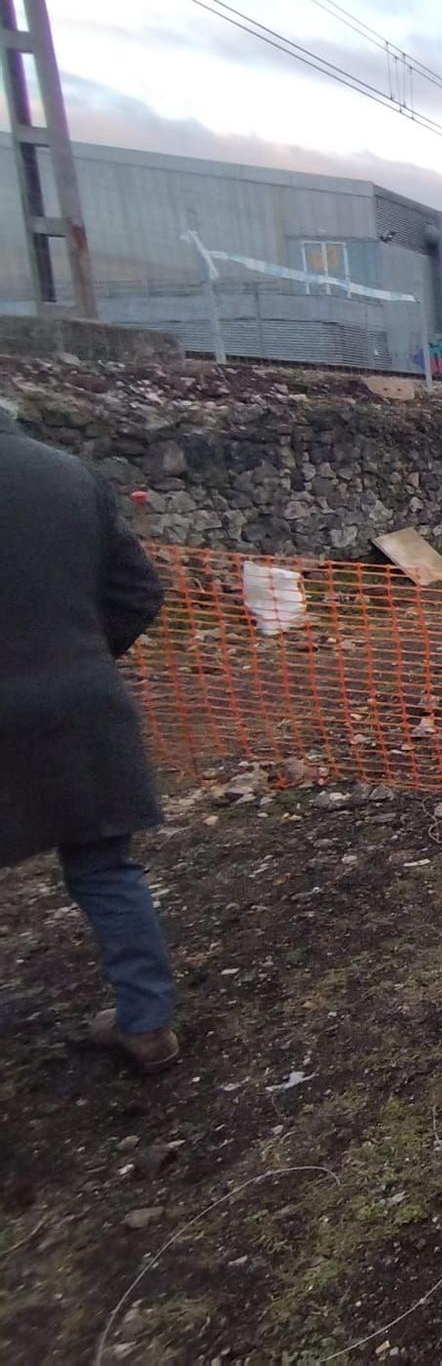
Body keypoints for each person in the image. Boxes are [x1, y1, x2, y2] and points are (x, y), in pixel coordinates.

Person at [0, 397, 179, 1073]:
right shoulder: (70, 474)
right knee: (106, 869)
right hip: (82, 704)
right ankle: (147, 1023)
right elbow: (138, 591)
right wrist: (80, 660)